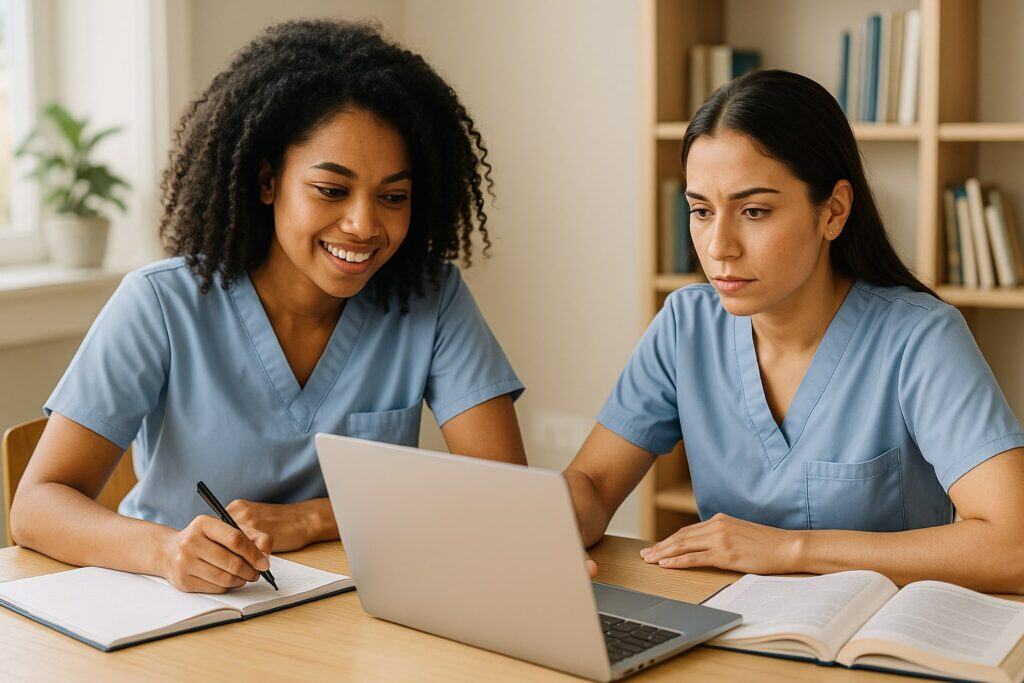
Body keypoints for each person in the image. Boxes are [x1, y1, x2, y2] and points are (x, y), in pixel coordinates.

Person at [11, 21, 526, 593]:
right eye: (331, 190)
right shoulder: (160, 303)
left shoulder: (432, 299)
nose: (363, 224)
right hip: (179, 619)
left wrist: (313, 517)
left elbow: (503, 497)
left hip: (358, 619)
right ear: (266, 182)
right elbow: (36, 506)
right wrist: (165, 552)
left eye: (393, 197)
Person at [566, 70, 1024, 593]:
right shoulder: (684, 325)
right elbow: (594, 485)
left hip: (878, 647)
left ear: (833, 211)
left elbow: (1013, 544)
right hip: (734, 631)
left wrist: (789, 550)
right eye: (700, 211)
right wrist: (547, 524)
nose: (719, 246)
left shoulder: (921, 338)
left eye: (754, 211)